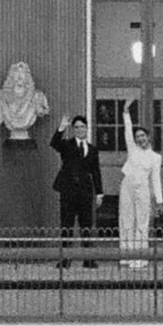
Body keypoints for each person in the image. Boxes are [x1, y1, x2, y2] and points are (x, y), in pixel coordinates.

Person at [49, 113, 104, 267]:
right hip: (68, 190)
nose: (80, 129)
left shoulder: (92, 149)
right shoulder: (67, 145)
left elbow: (96, 171)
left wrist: (99, 193)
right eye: (77, 127)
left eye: (82, 127)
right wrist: (61, 128)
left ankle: (88, 259)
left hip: (85, 191)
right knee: (66, 225)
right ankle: (65, 259)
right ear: (73, 129)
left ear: (87, 129)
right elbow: (54, 143)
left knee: (86, 225)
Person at [118, 101, 162, 267]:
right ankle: (126, 255)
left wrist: (159, 200)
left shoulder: (155, 157)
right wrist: (125, 112)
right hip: (127, 186)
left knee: (142, 222)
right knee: (126, 220)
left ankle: (140, 257)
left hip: (143, 189)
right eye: (138, 137)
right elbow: (127, 131)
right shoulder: (132, 149)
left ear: (148, 137)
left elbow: (155, 179)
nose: (140, 139)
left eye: (143, 136)